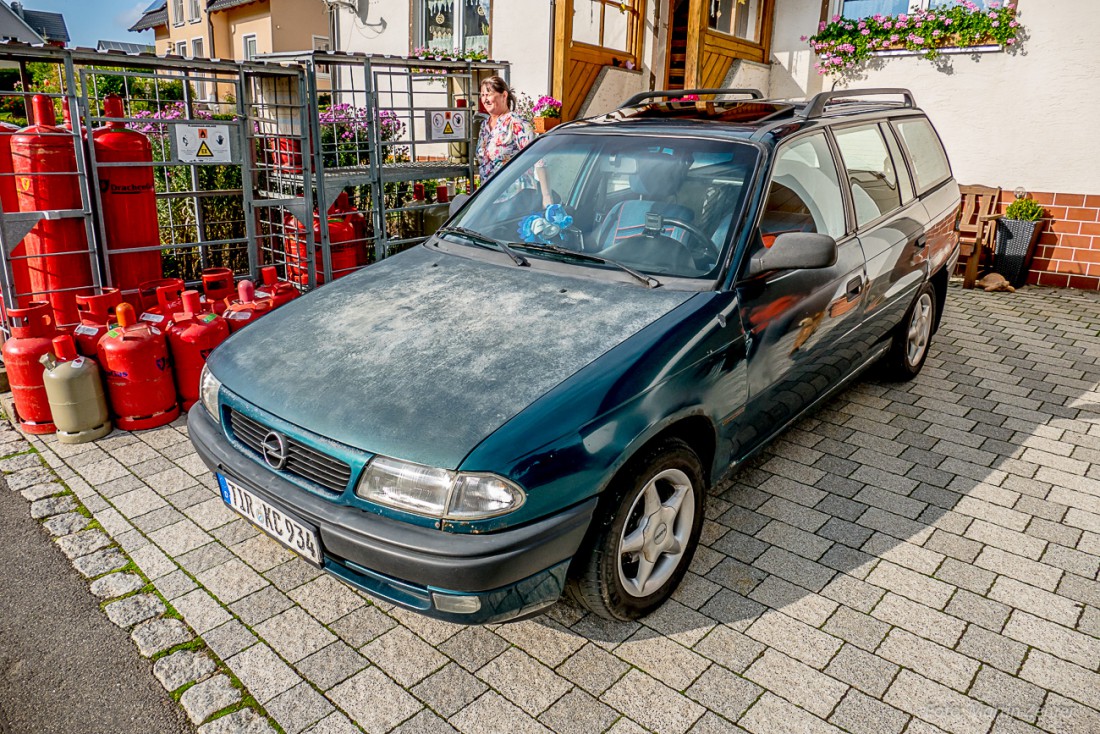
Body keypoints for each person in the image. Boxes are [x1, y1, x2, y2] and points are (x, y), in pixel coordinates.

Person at [476, 76, 535, 181]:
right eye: (482, 95)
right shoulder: (484, 126)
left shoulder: (516, 123)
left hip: (514, 192)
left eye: (489, 95)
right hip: (489, 193)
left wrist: (546, 195)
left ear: (504, 95)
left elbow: (536, 157)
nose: (485, 100)